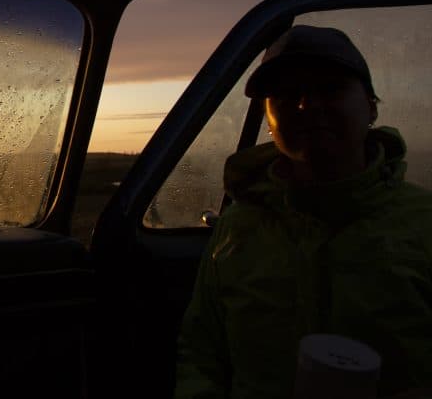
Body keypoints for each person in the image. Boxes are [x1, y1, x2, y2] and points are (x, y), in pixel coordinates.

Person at [174, 24, 432, 399]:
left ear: (372, 107)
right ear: (268, 119)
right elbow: (201, 353)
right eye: (287, 94)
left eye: (330, 88)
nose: (307, 105)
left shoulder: (423, 222)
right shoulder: (236, 227)